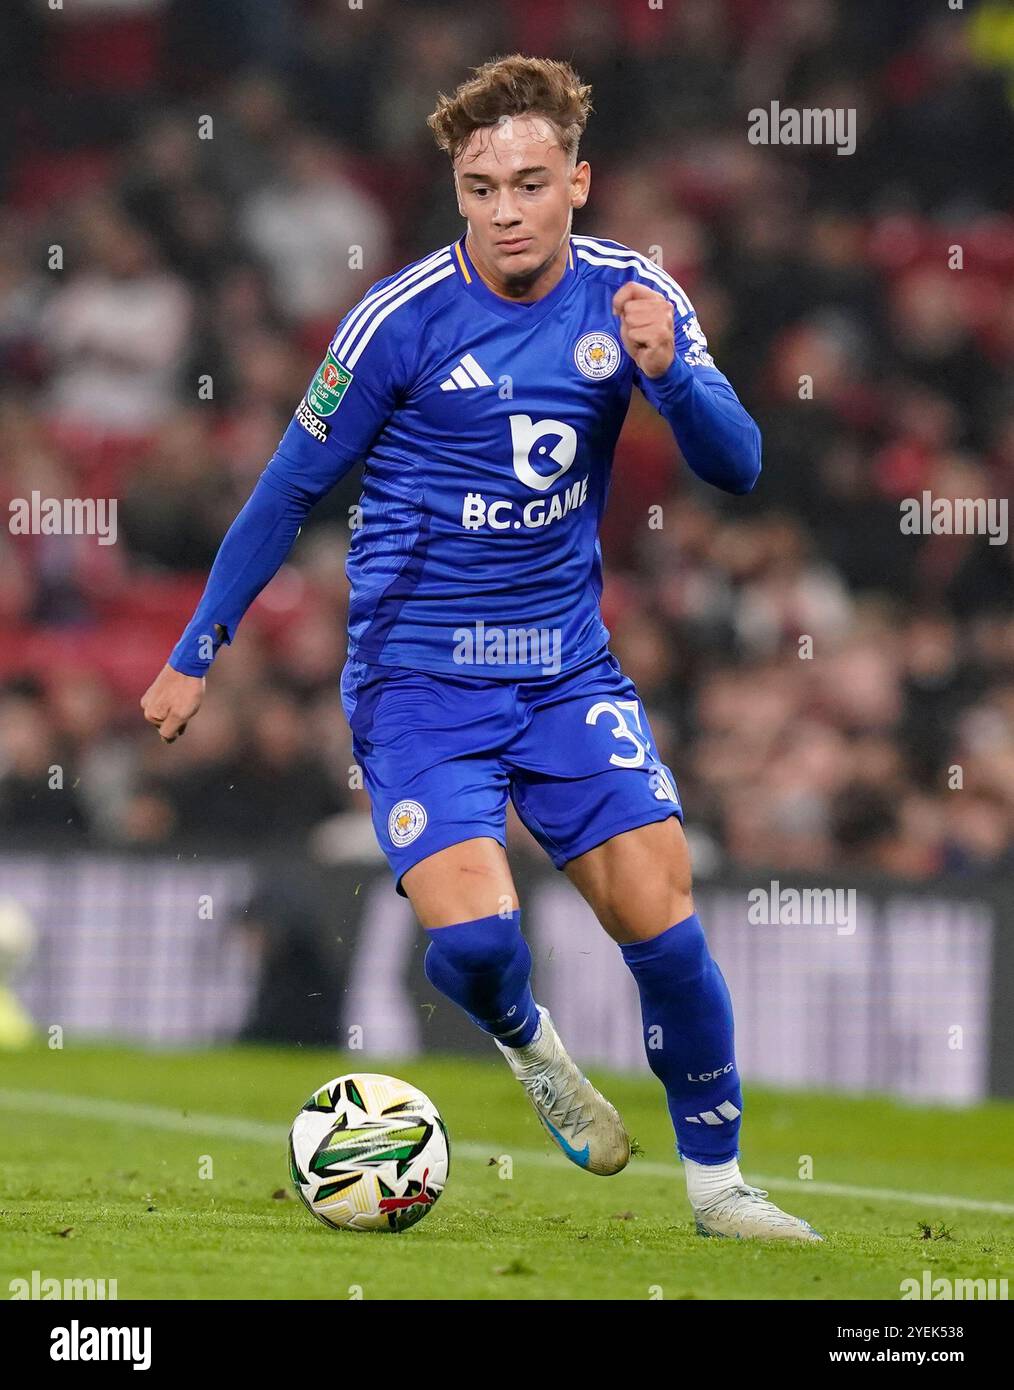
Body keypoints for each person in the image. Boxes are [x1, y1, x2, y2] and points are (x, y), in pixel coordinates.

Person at [142, 55, 820, 1241]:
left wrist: (672, 377)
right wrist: (200, 646)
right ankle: (527, 1040)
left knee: (665, 927)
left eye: (529, 182)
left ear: (579, 183)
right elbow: (289, 487)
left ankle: (720, 1188)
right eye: (478, 186)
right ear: (457, 192)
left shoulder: (635, 296)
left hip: (564, 671)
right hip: (419, 678)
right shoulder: (398, 320)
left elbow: (741, 468)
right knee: (479, 942)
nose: (504, 208)